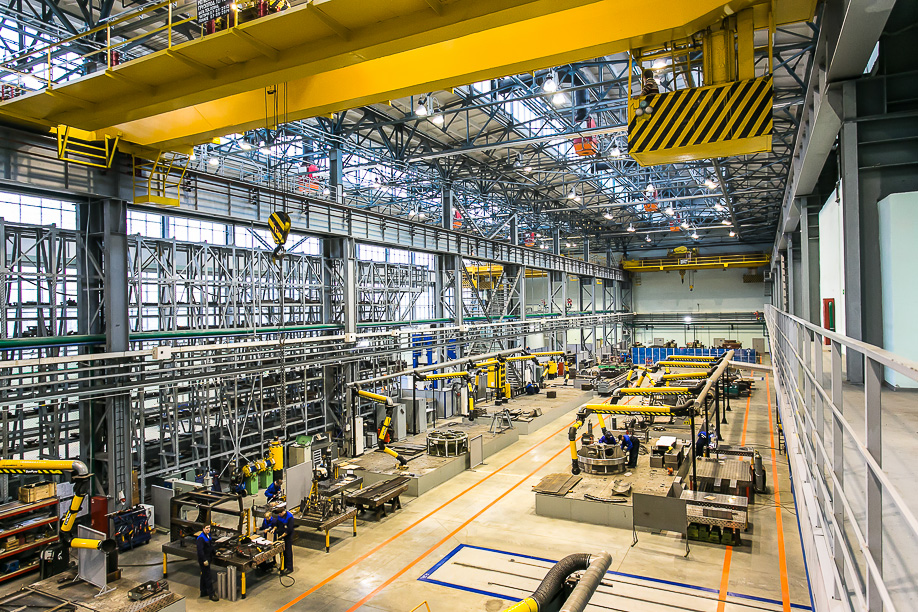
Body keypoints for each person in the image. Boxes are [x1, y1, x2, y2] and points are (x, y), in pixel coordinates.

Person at [196, 524, 218, 601]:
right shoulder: (201, 538)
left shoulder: (208, 536)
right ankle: (211, 594)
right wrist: (204, 560)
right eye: (206, 528)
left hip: (208, 558)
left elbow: (211, 546)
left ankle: (203, 592)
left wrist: (215, 552)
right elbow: (200, 551)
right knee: (208, 577)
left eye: (209, 528)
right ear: (203, 529)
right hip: (204, 560)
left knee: (204, 575)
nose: (208, 529)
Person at [271, 507, 294, 575]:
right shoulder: (279, 516)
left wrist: (282, 536)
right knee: (282, 552)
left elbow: (289, 529)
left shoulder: (290, 517)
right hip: (281, 535)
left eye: (280, 514)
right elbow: (277, 524)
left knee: (288, 552)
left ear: (283, 512)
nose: (279, 515)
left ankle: (289, 568)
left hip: (287, 536)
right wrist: (274, 529)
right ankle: (283, 566)